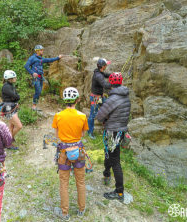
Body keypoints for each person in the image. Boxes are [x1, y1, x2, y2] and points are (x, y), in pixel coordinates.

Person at [52, 87, 89, 221]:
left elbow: (57, 136)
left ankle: (65, 213)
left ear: (64, 100)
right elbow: (82, 134)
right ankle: (81, 209)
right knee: (80, 181)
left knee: (64, 183)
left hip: (63, 152)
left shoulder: (58, 116)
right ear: (77, 100)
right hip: (78, 151)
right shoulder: (82, 116)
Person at [96, 72, 131, 202]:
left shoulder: (112, 99)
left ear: (110, 84)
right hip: (120, 131)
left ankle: (119, 192)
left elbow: (99, 117)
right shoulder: (126, 96)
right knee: (109, 153)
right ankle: (106, 174)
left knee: (115, 161)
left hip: (112, 132)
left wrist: (102, 106)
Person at [25, 45, 62, 111]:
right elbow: (26, 66)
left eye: (42, 50)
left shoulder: (41, 59)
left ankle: (35, 106)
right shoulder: (32, 58)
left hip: (41, 78)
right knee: (38, 91)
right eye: (41, 50)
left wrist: (57, 58)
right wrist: (32, 73)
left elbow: (49, 60)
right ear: (37, 51)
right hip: (36, 78)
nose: (43, 51)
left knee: (39, 92)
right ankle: (33, 106)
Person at [87, 58, 112, 139]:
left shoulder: (99, 72)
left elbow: (106, 75)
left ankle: (105, 124)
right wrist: (115, 82)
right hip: (95, 98)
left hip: (100, 97)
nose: (107, 65)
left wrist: (114, 75)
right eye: (106, 65)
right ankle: (90, 132)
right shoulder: (98, 76)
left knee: (107, 108)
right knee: (92, 115)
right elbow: (105, 85)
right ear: (102, 66)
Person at [0, 70, 22, 150]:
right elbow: (16, 96)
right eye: (14, 77)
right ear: (10, 78)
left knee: (11, 126)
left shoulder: (10, 85)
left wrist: (16, 99)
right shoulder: (6, 86)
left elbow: (15, 96)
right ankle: (8, 141)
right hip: (8, 108)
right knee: (19, 126)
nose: (15, 78)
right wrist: (16, 97)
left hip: (11, 106)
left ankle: (9, 141)